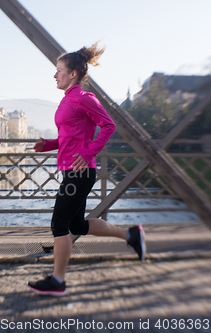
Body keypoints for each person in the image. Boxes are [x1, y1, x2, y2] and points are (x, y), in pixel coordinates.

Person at [28, 43, 146, 296]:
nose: (55, 75)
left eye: (59, 70)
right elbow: (69, 137)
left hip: (79, 172)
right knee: (78, 225)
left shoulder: (83, 98)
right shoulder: (68, 101)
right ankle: (131, 235)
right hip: (71, 170)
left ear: (73, 74)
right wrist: (48, 144)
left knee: (59, 224)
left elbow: (108, 125)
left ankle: (58, 280)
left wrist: (89, 152)